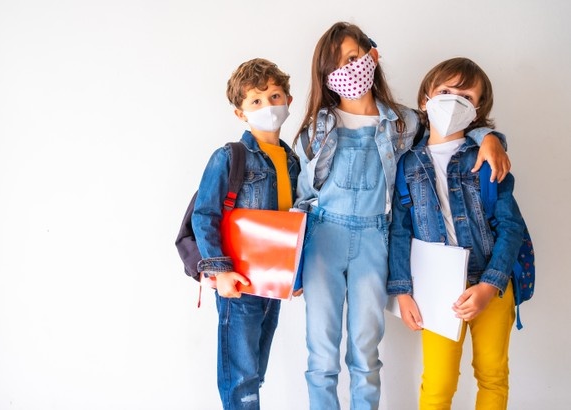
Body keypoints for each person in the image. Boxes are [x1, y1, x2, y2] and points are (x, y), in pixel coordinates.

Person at [292, 22, 511, 410]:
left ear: (373, 56)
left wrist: (491, 138)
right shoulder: (316, 127)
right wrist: (291, 264)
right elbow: (303, 197)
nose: (349, 69)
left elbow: (453, 131)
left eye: (355, 58)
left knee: (366, 352)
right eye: (338, 64)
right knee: (321, 356)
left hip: (376, 238)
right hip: (323, 238)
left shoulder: (403, 123)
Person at [387, 57, 525, 409]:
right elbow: (399, 233)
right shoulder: (406, 162)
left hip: (492, 286)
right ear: (425, 100)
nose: (453, 101)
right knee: (438, 383)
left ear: (477, 110)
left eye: (465, 96)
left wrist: (489, 284)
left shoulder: (488, 157)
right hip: (437, 290)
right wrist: (402, 292)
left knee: (493, 374)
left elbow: (511, 227)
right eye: (445, 91)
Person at [191, 58, 301, 410]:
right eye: (255, 101)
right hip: (238, 284)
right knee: (240, 378)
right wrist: (220, 272)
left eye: (274, 96)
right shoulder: (230, 156)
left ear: (288, 100)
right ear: (240, 113)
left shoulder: (293, 161)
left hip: (273, 285)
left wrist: (295, 273)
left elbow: (294, 222)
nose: (268, 106)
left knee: (255, 371)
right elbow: (204, 214)